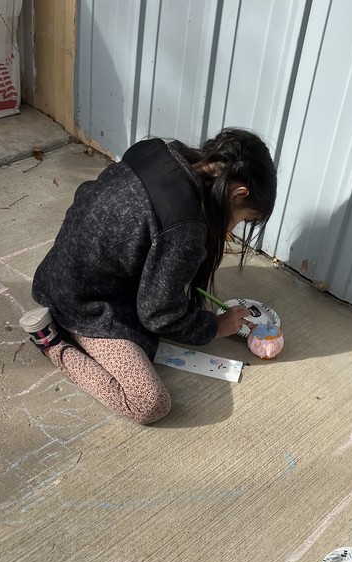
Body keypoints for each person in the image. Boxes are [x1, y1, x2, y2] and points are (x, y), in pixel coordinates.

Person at [23, 127, 277, 424]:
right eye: (243, 219)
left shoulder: (158, 151)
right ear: (238, 194)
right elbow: (159, 314)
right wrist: (213, 327)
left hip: (57, 272)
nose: (233, 230)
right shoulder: (186, 225)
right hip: (83, 305)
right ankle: (52, 343)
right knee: (148, 402)